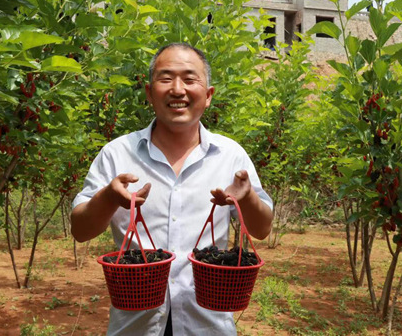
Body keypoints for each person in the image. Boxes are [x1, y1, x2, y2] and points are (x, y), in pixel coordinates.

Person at [71, 43, 273, 336]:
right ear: (149, 93)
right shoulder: (117, 154)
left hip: (207, 325)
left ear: (208, 96)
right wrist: (109, 197)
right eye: (166, 78)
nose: (178, 89)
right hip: (136, 325)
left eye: (190, 79)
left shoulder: (231, 156)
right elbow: (80, 229)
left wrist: (248, 198)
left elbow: (262, 228)